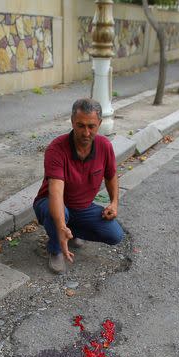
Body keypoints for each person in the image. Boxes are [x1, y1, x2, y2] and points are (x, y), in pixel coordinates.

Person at [33, 98, 124, 274]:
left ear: (100, 123)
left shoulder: (104, 146)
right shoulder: (56, 149)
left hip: (83, 207)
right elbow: (56, 193)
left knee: (115, 235)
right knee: (59, 214)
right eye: (80, 125)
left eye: (91, 126)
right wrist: (60, 226)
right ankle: (55, 248)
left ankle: (71, 232)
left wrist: (114, 203)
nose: (86, 132)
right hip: (51, 202)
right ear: (72, 122)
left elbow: (111, 176)